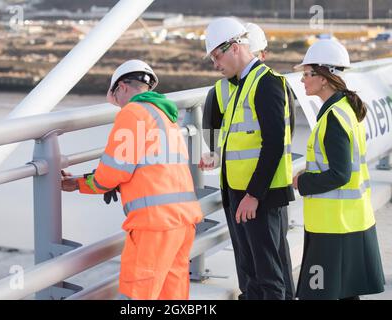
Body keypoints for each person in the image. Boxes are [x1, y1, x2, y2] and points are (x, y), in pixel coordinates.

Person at [61, 59, 203, 300]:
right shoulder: (165, 117)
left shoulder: (133, 113)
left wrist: (78, 184)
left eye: (116, 100)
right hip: (183, 221)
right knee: (172, 295)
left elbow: (113, 171)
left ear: (122, 87)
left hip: (154, 225)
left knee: (137, 296)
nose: (118, 106)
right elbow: (151, 167)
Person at [199, 17, 294, 300]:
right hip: (240, 194)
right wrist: (218, 157)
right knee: (252, 274)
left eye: (217, 56)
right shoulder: (243, 85)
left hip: (257, 198)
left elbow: (274, 143)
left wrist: (253, 194)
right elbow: (240, 139)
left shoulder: (266, 83)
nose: (215, 64)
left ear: (235, 47)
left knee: (268, 277)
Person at [293, 39, 385, 300]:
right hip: (347, 221)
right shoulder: (343, 110)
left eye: (307, 73)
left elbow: (340, 174)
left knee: (320, 295)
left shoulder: (334, 117)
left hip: (334, 227)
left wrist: (303, 182)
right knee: (343, 295)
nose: (302, 80)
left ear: (324, 77)